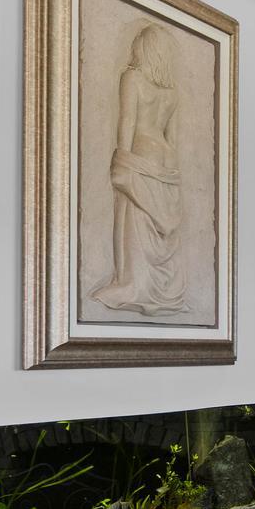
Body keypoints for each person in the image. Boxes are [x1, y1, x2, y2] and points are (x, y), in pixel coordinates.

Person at [91, 22, 186, 316]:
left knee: (135, 224)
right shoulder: (171, 94)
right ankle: (159, 290)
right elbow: (173, 139)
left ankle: (137, 285)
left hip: (141, 156)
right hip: (166, 163)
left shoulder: (132, 78)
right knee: (155, 230)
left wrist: (122, 159)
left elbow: (128, 122)